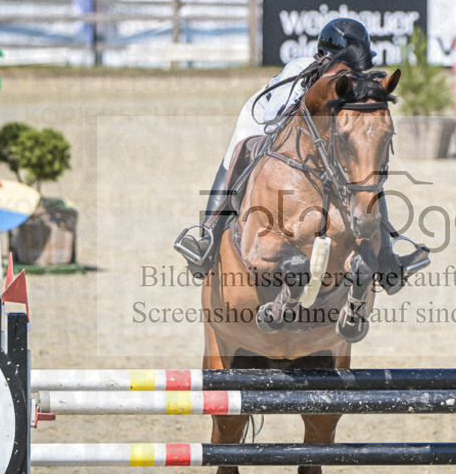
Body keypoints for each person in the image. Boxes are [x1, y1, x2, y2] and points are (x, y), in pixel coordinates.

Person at [175, 17, 429, 290]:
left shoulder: (356, 85)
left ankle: (388, 257)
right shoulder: (299, 69)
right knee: (240, 148)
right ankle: (206, 235)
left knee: (364, 170)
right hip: (263, 120)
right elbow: (273, 118)